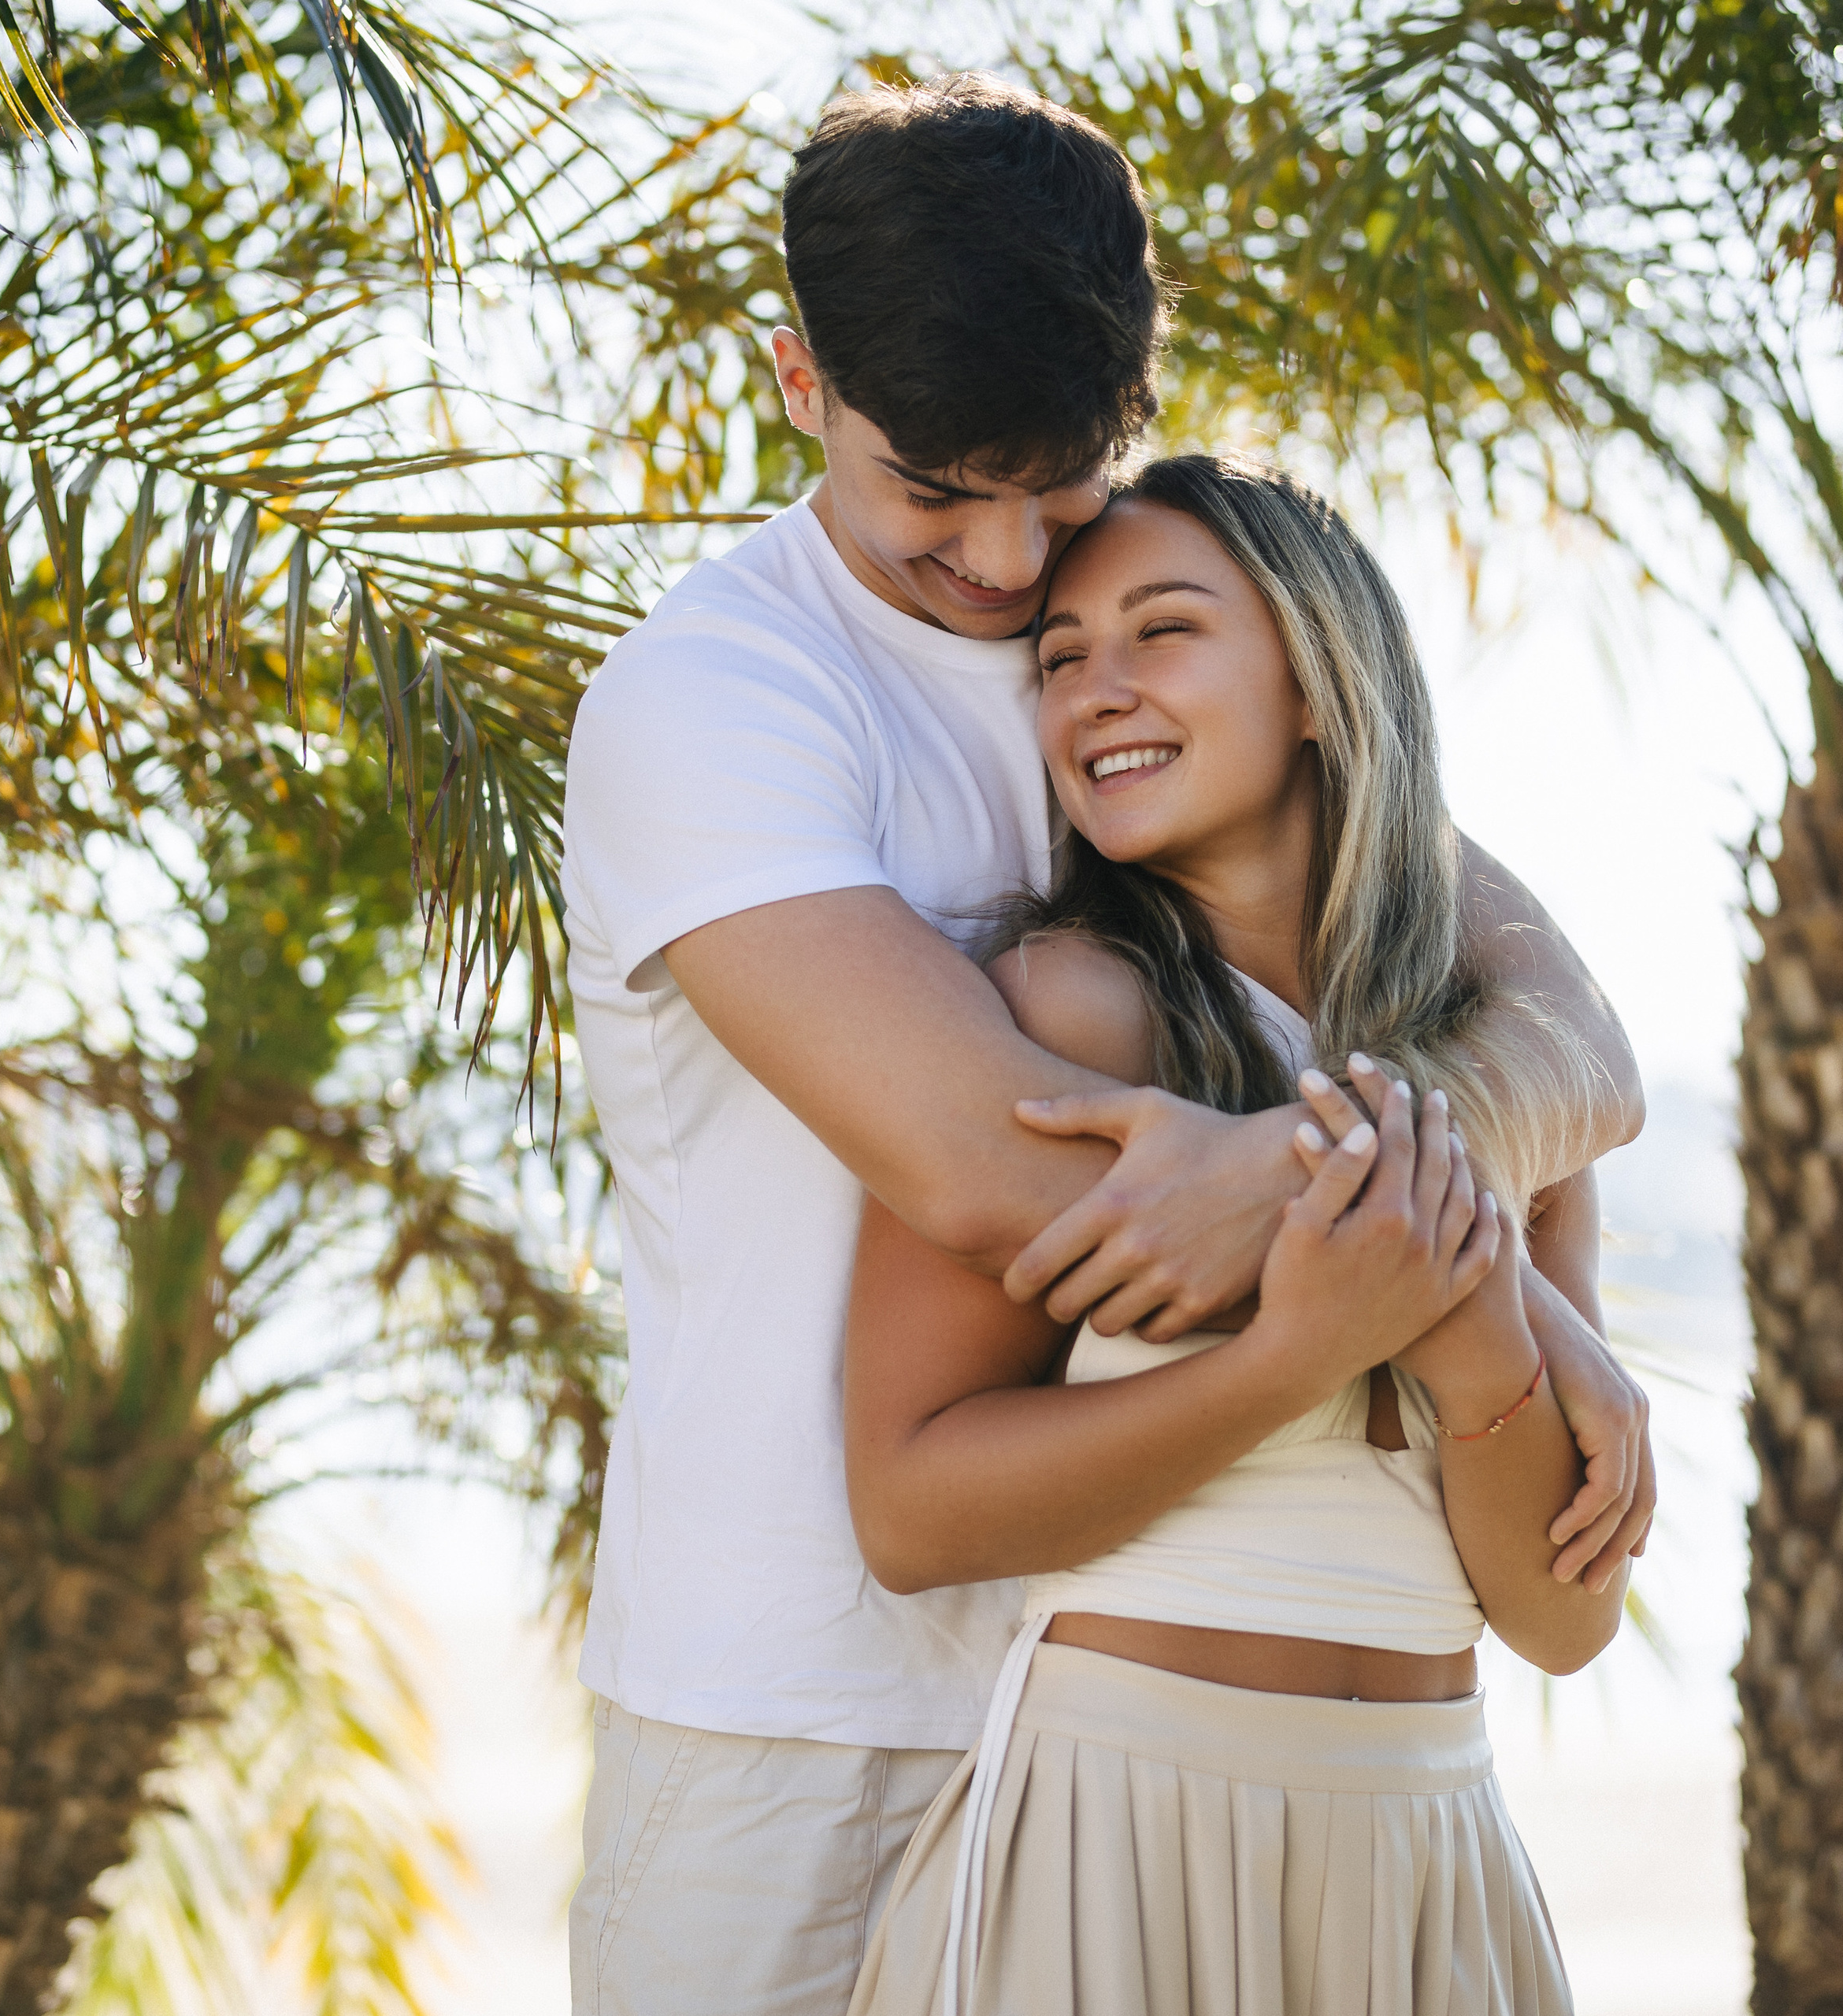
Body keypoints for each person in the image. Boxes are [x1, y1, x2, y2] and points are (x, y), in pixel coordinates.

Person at [559, 76, 1648, 2016]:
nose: (1000, 569)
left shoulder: (1139, 649)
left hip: (1117, 1684)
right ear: (800, 384)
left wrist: (1495, 1284)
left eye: (1049, 488)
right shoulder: (721, 696)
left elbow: (1559, 1025)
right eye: (937, 492)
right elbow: (992, 1168)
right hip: (797, 1706)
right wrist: (1466, 1288)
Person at [844, 456, 1627, 2016]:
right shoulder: (1069, 1012)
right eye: (1060, 657)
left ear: (1319, 684)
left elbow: (1558, 1614)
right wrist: (1298, 1351)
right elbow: (911, 1507)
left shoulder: (1492, 1089)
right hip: (1115, 1835)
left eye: (1163, 630)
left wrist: (1478, 1336)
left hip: (1428, 1844)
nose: (1095, 689)